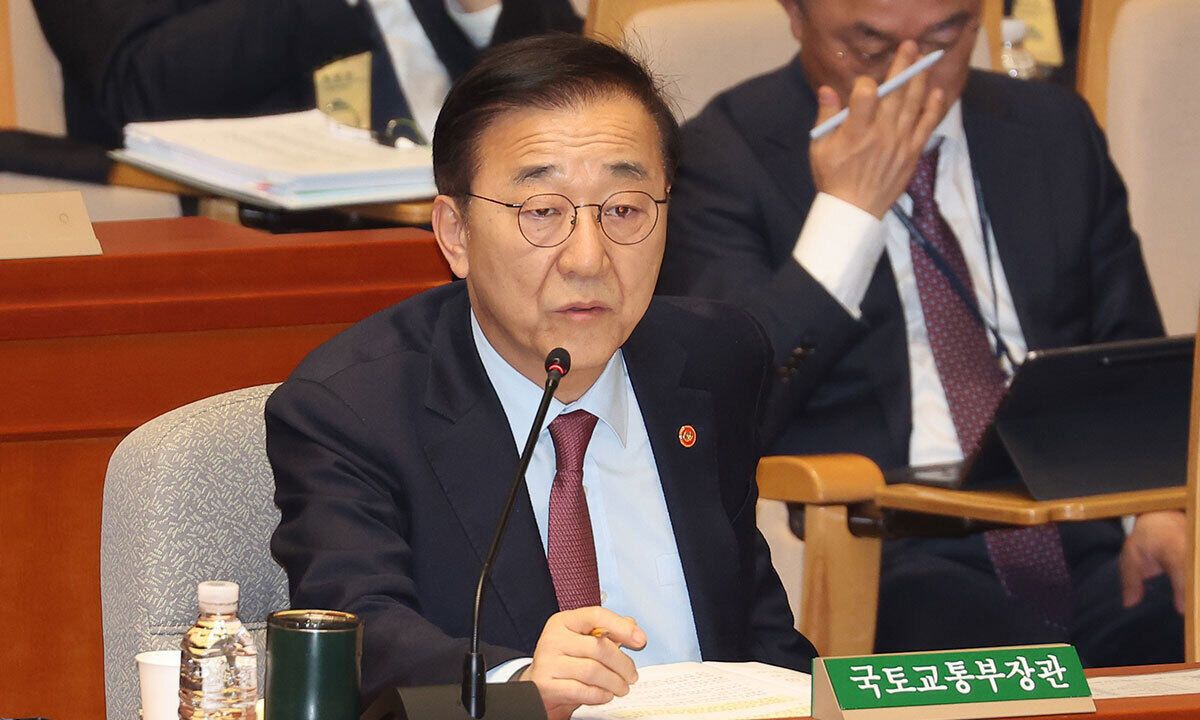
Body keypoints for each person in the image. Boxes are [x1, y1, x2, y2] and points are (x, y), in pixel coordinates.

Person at [267, 33, 816, 719]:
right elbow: (358, 639)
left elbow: (759, 635)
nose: (588, 258)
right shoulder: (354, 407)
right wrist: (517, 687)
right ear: (456, 233)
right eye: (543, 213)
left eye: (624, 209)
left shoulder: (713, 360)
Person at [658, 0, 1186, 666]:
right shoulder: (724, 156)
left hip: (1078, 532)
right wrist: (848, 215)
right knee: (995, 652)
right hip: (884, 547)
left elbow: (1128, 356)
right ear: (795, 14)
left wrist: (1157, 513)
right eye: (871, 46)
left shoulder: (1053, 128)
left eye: (944, 38)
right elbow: (726, 409)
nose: (912, 74)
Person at [32, 0, 581, 148]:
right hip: (270, 232)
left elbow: (572, 80)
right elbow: (135, 88)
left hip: (478, 207)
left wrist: (479, 8)